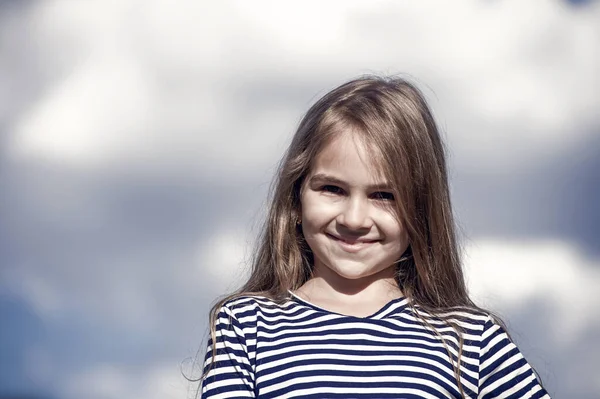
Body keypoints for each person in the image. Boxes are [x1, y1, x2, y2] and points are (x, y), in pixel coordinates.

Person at [198, 75, 551, 398]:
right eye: (332, 189)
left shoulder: (471, 340)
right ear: (297, 194)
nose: (354, 219)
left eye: (384, 196)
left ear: (422, 208)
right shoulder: (246, 326)